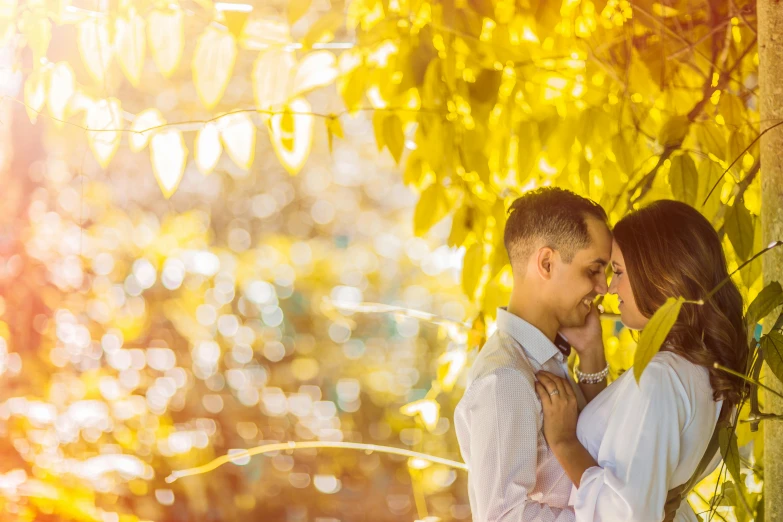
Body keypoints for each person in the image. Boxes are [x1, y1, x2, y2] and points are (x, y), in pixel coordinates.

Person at [455, 187, 686, 521]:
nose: (604, 287)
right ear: (546, 263)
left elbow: (598, 451)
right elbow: (503, 516)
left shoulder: (545, 358)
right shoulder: (505, 379)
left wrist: (592, 357)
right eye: (593, 270)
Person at [534, 200, 749, 521]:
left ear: (659, 274)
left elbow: (627, 514)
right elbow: (628, 456)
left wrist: (564, 443)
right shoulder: (701, 366)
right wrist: (592, 352)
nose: (609, 287)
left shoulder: (662, 376)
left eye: (618, 271)